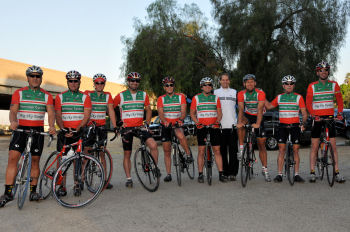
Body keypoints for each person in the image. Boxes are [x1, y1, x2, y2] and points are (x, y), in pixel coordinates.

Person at [0, 65, 56, 207]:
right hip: (21, 129)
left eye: (38, 76)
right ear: (28, 78)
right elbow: (13, 111)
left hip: (37, 130)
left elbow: (51, 113)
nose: (35, 79)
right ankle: (7, 193)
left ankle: (33, 191)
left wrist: (51, 126)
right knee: (13, 158)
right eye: (32, 76)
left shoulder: (47, 95)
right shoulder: (19, 93)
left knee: (35, 161)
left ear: (41, 79)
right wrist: (13, 121)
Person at [113, 72, 160, 188]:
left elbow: (148, 110)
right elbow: (112, 108)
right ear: (128, 82)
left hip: (140, 127)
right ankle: (129, 178)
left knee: (153, 145)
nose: (134, 83)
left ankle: (154, 167)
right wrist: (118, 122)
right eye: (132, 80)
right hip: (127, 128)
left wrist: (147, 123)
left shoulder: (144, 95)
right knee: (127, 153)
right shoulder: (121, 95)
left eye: (137, 81)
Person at [306, 61, 345, 183]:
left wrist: (339, 113)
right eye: (321, 70)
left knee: (333, 146)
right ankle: (312, 172)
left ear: (328, 72)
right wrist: (313, 115)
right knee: (314, 146)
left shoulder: (334, 85)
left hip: (329, 118)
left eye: (326, 70)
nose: (324, 72)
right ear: (317, 72)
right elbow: (308, 102)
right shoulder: (312, 86)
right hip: (317, 118)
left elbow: (339, 100)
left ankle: (337, 172)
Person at [55, 70, 92, 196]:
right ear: (67, 82)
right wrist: (64, 129)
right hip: (65, 132)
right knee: (62, 159)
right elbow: (58, 116)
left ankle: (76, 184)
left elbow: (86, 116)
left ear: (79, 82)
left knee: (77, 159)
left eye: (76, 81)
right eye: (71, 81)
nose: (73, 83)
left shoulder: (85, 97)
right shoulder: (60, 97)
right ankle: (62, 186)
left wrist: (77, 128)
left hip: (78, 132)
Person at [265, 75, 307, 183]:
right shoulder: (279, 97)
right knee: (281, 150)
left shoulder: (299, 97)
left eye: (291, 84)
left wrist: (303, 123)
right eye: (287, 84)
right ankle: (279, 174)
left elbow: (304, 113)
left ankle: (296, 174)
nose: (289, 85)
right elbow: (269, 106)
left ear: (294, 85)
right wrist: (262, 96)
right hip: (282, 126)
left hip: (295, 126)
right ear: (283, 86)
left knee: (296, 150)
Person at [84, 73, 117, 189]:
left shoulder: (108, 95)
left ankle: (104, 180)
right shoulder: (87, 94)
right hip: (90, 127)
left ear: (104, 84)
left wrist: (115, 126)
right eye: (97, 83)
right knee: (86, 152)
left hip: (102, 127)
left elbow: (111, 111)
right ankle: (82, 179)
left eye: (102, 83)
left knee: (102, 153)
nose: (99, 85)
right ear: (94, 84)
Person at [190, 77, 226, 183]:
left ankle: (221, 174)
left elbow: (220, 113)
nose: (207, 87)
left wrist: (217, 122)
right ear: (201, 87)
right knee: (201, 151)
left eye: (209, 85)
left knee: (217, 150)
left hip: (214, 127)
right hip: (202, 127)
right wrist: (197, 122)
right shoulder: (196, 98)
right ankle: (200, 174)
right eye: (205, 85)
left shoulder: (216, 98)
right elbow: (192, 113)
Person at [157, 77, 193, 182]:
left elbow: (183, 111)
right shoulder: (161, 99)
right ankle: (168, 174)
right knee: (166, 150)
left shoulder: (180, 97)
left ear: (174, 86)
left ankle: (188, 154)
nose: (169, 87)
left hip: (177, 123)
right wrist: (164, 121)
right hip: (166, 125)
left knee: (180, 135)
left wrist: (181, 119)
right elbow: (160, 113)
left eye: (171, 85)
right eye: (167, 85)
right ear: (164, 87)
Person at [236, 74, 271, 182]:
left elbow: (260, 109)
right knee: (241, 124)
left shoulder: (260, 93)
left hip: (259, 116)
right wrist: (239, 122)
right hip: (248, 115)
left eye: (252, 82)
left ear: (255, 83)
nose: (250, 84)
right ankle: (241, 149)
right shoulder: (241, 94)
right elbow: (241, 109)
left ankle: (265, 169)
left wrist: (258, 124)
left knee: (261, 144)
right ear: (244, 84)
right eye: (247, 82)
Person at [214, 73, 239, 181]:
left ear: (229, 81)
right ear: (220, 81)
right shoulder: (215, 93)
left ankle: (233, 173)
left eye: (227, 80)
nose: (225, 81)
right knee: (222, 151)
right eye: (223, 80)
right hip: (220, 126)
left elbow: (241, 107)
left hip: (233, 125)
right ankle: (224, 172)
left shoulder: (234, 92)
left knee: (233, 151)